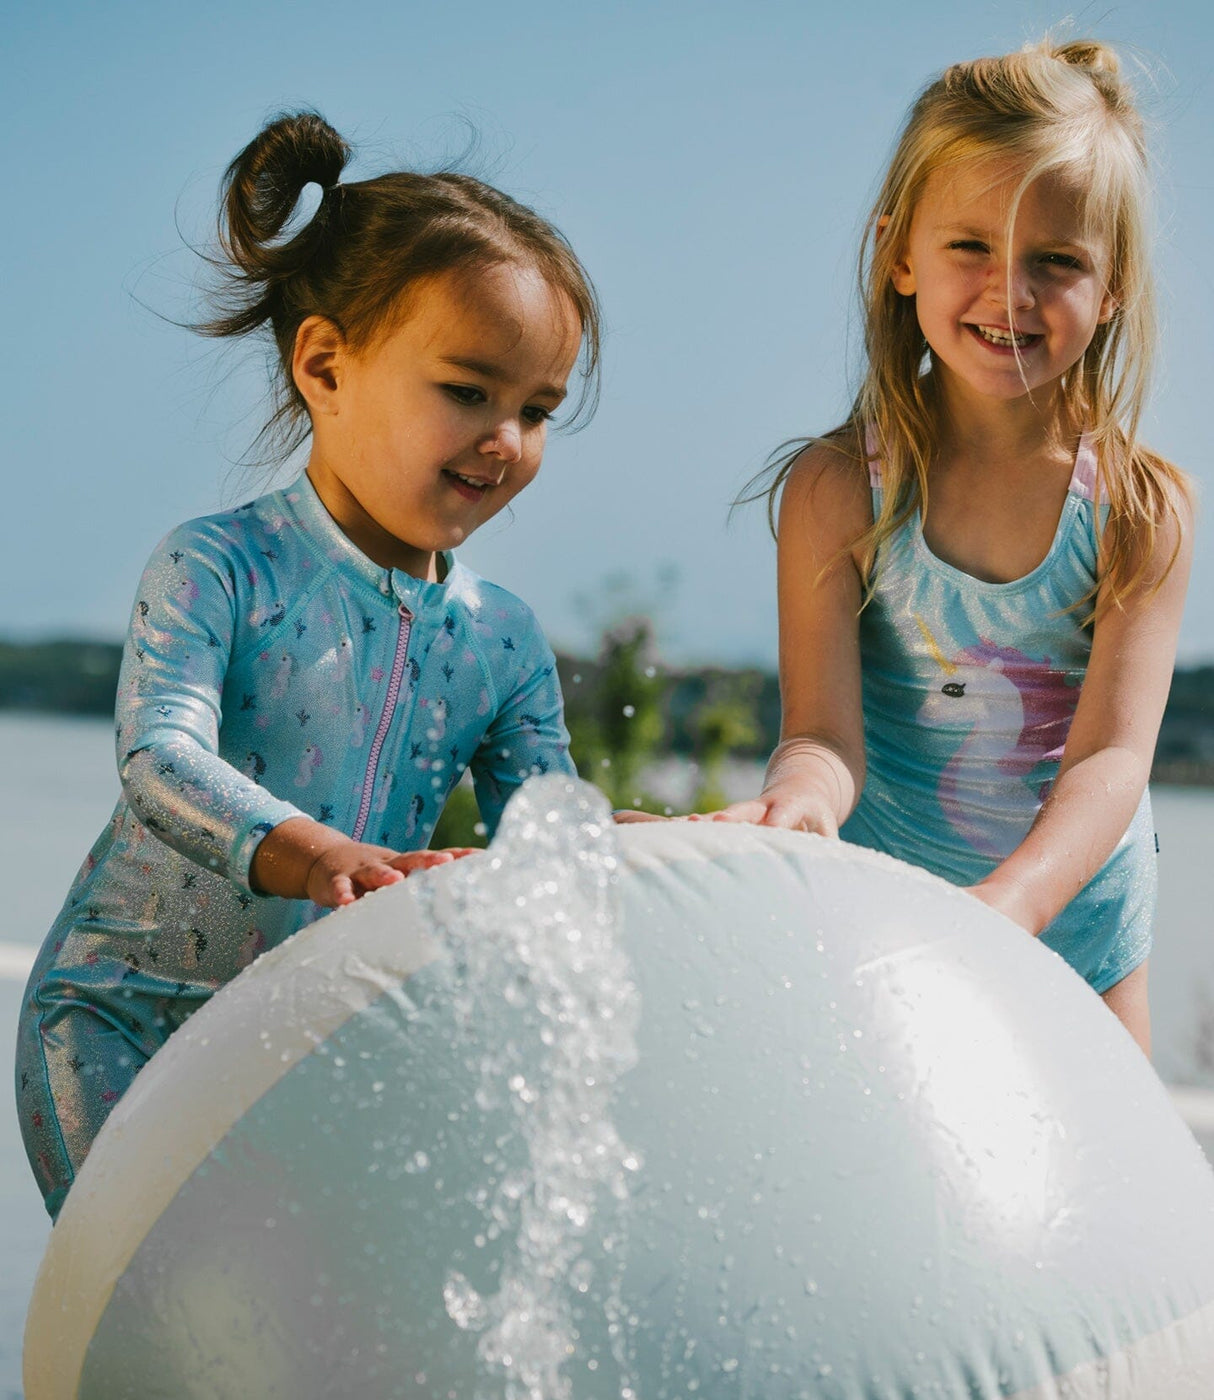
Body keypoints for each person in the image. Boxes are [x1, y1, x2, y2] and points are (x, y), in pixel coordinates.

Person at [16, 110, 601, 1219]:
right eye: (468, 391)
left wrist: (640, 856)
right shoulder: (218, 567)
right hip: (121, 1022)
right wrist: (308, 850)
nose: (504, 440)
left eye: (535, 411)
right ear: (326, 366)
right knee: (156, 1328)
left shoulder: (503, 639)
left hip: (315, 1046)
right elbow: (158, 757)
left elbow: (548, 842)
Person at [716, 40, 1193, 1056]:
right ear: (898, 255)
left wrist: (1016, 902)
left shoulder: (1136, 508)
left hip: (1078, 923)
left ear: (1110, 287)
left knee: (1110, 1193)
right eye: (968, 246)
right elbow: (820, 738)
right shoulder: (839, 489)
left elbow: (1111, 757)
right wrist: (792, 809)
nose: (1006, 293)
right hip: (886, 913)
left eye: (1054, 262)